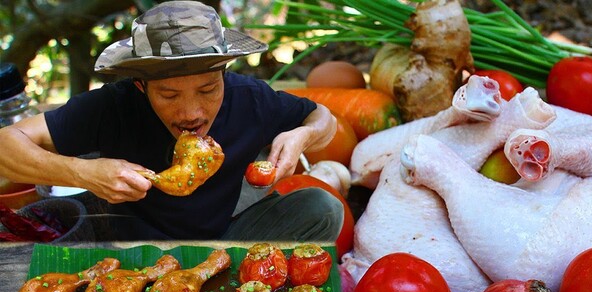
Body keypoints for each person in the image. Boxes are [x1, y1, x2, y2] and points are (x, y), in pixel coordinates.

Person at [0, 0, 344, 242]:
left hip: (226, 240)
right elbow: (6, 145)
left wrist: (304, 135)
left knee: (322, 207)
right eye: (169, 95)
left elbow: (323, 117)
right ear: (141, 85)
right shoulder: (113, 104)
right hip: (137, 251)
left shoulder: (249, 98)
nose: (191, 112)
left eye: (208, 89)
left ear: (223, 75)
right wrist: (83, 172)